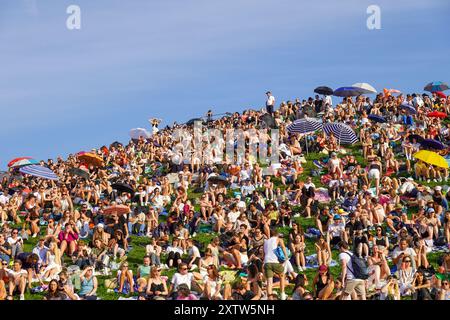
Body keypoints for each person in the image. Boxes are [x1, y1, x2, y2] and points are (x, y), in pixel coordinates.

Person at [263, 228, 287, 300]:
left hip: (267, 262)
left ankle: (269, 297)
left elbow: (264, 254)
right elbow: (283, 247)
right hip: (274, 261)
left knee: (269, 282)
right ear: (277, 234)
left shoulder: (266, 242)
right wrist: (286, 256)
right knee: (282, 276)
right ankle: (282, 294)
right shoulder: (278, 239)